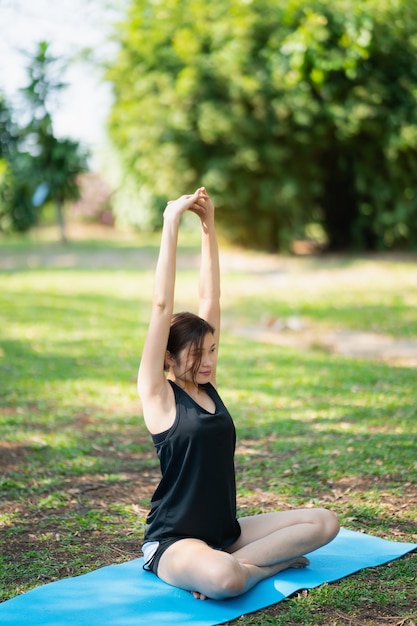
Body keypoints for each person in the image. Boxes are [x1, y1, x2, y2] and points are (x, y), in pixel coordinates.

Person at [137, 187, 339, 601]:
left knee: (325, 523)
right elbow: (161, 306)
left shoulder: (208, 386)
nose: (208, 361)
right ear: (168, 359)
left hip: (227, 533)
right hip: (176, 542)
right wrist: (170, 222)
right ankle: (261, 567)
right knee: (224, 582)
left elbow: (211, 297)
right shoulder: (159, 396)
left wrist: (209, 227)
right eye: (196, 355)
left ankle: (242, 564)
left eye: (213, 350)